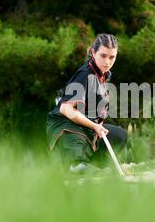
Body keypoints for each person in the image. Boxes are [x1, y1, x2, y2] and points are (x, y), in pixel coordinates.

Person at [46, 34, 127, 174]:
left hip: (87, 126)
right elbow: (66, 109)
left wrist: (96, 125)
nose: (107, 62)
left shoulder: (103, 74)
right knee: (77, 167)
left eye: (112, 57)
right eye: (103, 56)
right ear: (93, 53)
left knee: (119, 135)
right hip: (66, 124)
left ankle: (95, 165)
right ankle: (76, 165)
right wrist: (94, 126)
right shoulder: (85, 74)